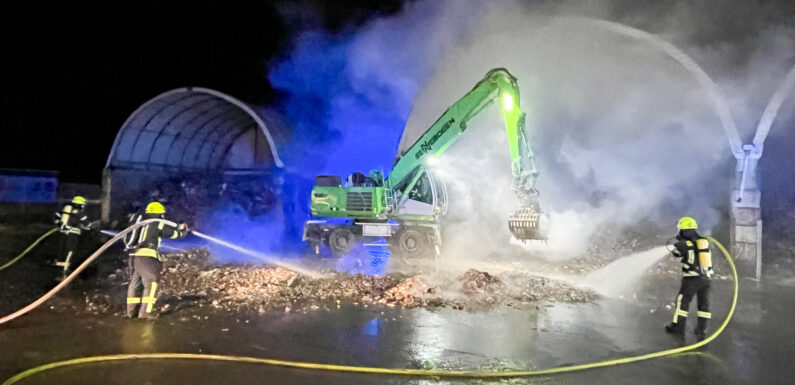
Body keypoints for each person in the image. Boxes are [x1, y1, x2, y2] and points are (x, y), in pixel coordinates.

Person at [125, 201, 188, 319]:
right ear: (160, 213)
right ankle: (146, 312)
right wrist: (182, 232)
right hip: (147, 256)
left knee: (136, 284)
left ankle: (131, 312)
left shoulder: (143, 223)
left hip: (136, 256)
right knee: (152, 282)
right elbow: (172, 233)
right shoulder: (157, 223)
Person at [665, 216, 714, 339]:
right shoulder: (703, 241)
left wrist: (678, 242)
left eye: (681, 230)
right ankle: (701, 329)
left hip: (691, 279)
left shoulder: (683, 244)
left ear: (685, 230)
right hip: (706, 279)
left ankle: (678, 328)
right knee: (703, 305)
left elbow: (676, 253)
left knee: (682, 303)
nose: (679, 232)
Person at [54, 196, 93, 278]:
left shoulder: (66, 209)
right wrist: (90, 227)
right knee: (71, 250)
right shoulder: (79, 212)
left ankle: (58, 266)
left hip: (63, 233)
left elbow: (57, 216)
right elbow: (87, 224)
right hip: (72, 234)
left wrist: (59, 224)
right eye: (82, 205)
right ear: (80, 204)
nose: (83, 206)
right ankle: (65, 269)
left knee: (62, 249)